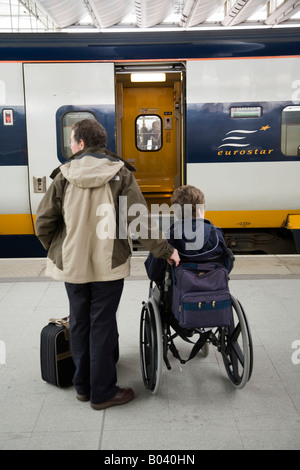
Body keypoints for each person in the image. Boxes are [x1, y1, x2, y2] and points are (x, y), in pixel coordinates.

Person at [35, 119, 180, 410]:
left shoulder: (62, 175)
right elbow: (138, 221)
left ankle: (83, 386)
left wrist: (59, 248)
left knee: (79, 321)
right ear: (100, 143)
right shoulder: (120, 173)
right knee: (101, 322)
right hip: (108, 264)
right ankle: (102, 392)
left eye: (72, 142)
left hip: (73, 264)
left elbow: (43, 223)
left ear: (79, 143)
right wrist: (166, 251)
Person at [145, 185, 233, 284]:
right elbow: (227, 267)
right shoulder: (217, 234)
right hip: (214, 293)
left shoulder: (167, 238)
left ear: (176, 212)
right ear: (200, 210)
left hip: (178, 296)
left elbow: (153, 273)